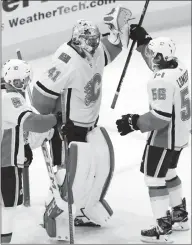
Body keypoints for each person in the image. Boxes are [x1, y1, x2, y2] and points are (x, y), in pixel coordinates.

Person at [32, 5, 133, 241]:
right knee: (69, 174)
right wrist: (51, 122)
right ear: (78, 41)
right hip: (68, 128)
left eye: (95, 41)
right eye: (89, 42)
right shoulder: (64, 61)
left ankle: (86, 208)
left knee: (95, 168)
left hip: (90, 124)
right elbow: (40, 96)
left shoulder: (95, 50)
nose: (94, 46)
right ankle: (53, 213)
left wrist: (125, 34)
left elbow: (109, 50)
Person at [116, 25, 191, 243]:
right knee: (168, 173)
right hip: (181, 133)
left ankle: (162, 229)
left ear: (164, 56)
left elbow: (160, 117)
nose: (154, 58)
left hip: (163, 138)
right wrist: (143, 41)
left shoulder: (160, 80)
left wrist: (134, 122)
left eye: (156, 55)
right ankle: (180, 216)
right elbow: (156, 64)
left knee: (153, 178)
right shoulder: (179, 66)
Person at [1, 59, 61, 243]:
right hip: (5, 164)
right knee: (8, 206)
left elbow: (14, 129)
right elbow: (33, 123)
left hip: (8, 157)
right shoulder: (11, 99)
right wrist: (54, 119)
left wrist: (24, 146)